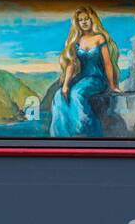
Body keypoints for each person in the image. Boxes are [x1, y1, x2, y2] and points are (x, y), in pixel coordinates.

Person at [50, 7, 122, 137]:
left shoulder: (99, 38)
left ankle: (83, 127)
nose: (83, 22)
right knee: (59, 95)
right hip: (82, 78)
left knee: (77, 93)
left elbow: (107, 63)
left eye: (86, 19)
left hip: (97, 78)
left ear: (92, 19)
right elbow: (71, 64)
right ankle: (65, 134)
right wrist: (66, 85)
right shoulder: (76, 41)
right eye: (80, 20)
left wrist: (112, 85)